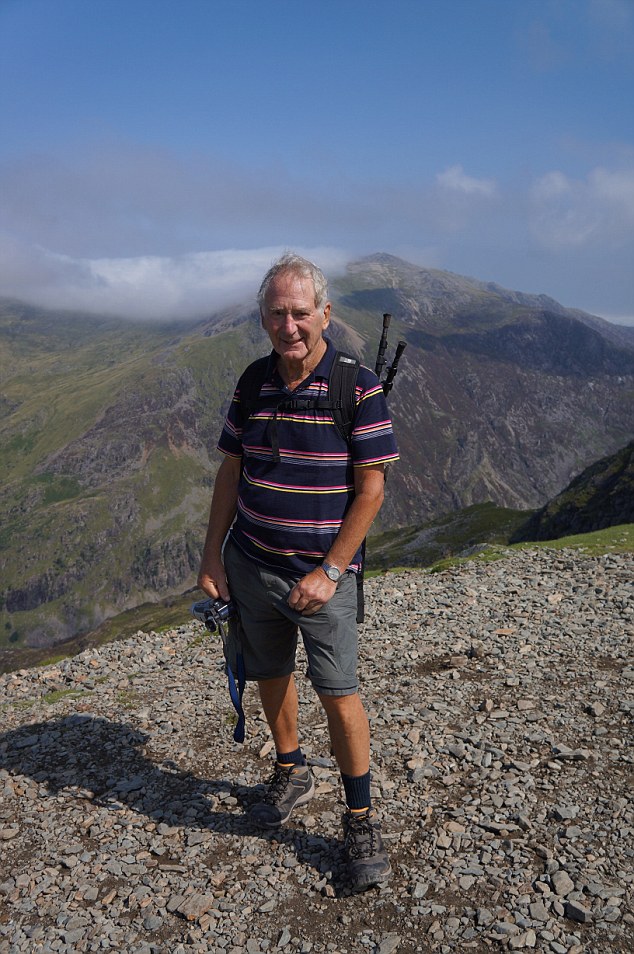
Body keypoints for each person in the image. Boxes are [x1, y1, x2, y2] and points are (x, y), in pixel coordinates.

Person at [197, 252, 399, 891]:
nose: (290, 325)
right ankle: (290, 765)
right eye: (278, 313)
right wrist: (211, 555)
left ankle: (360, 816)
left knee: (338, 690)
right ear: (263, 318)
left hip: (320, 579)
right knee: (268, 670)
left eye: (301, 313)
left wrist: (332, 571)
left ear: (325, 314)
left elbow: (372, 491)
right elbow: (232, 468)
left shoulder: (356, 386)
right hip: (249, 563)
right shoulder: (253, 381)